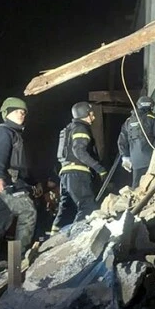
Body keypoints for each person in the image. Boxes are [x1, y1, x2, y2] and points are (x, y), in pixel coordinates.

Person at [0, 97, 39, 270]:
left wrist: (33, 182)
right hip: (8, 182)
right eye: (17, 111)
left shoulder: (16, 135)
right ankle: (19, 260)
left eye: (23, 112)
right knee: (28, 211)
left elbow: (21, 164)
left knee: (1, 221)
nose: (22, 114)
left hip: (16, 181)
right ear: (6, 114)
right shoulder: (2, 132)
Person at [51, 101, 107, 235]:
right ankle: (76, 238)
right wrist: (99, 168)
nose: (93, 115)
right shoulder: (81, 128)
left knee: (66, 209)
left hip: (66, 173)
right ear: (86, 113)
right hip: (77, 173)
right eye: (91, 112)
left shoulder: (70, 128)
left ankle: (53, 241)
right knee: (88, 206)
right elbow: (79, 151)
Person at [117, 96, 155, 188]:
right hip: (151, 159)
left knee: (137, 186)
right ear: (151, 106)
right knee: (152, 186)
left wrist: (125, 157)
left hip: (136, 162)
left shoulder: (128, 121)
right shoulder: (152, 118)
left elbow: (122, 140)